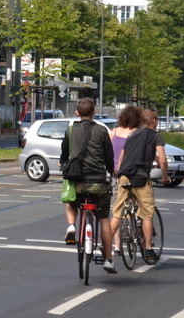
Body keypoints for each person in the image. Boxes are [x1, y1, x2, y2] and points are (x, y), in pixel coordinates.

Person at [60, 98, 117, 274]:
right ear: (94, 112)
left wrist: (63, 164)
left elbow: (64, 154)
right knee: (104, 219)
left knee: (71, 201)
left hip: (78, 181)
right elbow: (109, 156)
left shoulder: (70, 130)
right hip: (98, 182)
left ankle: (71, 226)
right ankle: (108, 260)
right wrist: (111, 170)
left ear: (77, 113)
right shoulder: (102, 130)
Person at [110, 109, 170, 263]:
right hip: (141, 178)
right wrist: (165, 176)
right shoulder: (155, 136)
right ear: (154, 122)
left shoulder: (132, 135)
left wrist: (120, 174)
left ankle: (105, 245)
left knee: (117, 212)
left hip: (124, 176)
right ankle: (149, 249)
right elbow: (163, 160)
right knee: (147, 213)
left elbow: (122, 156)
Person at [109, 105, 143, 255]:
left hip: (115, 173)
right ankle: (137, 227)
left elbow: (107, 151)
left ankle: (117, 246)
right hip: (132, 172)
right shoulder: (137, 133)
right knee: (139, 204)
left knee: (117, 208)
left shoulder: (114, 132)